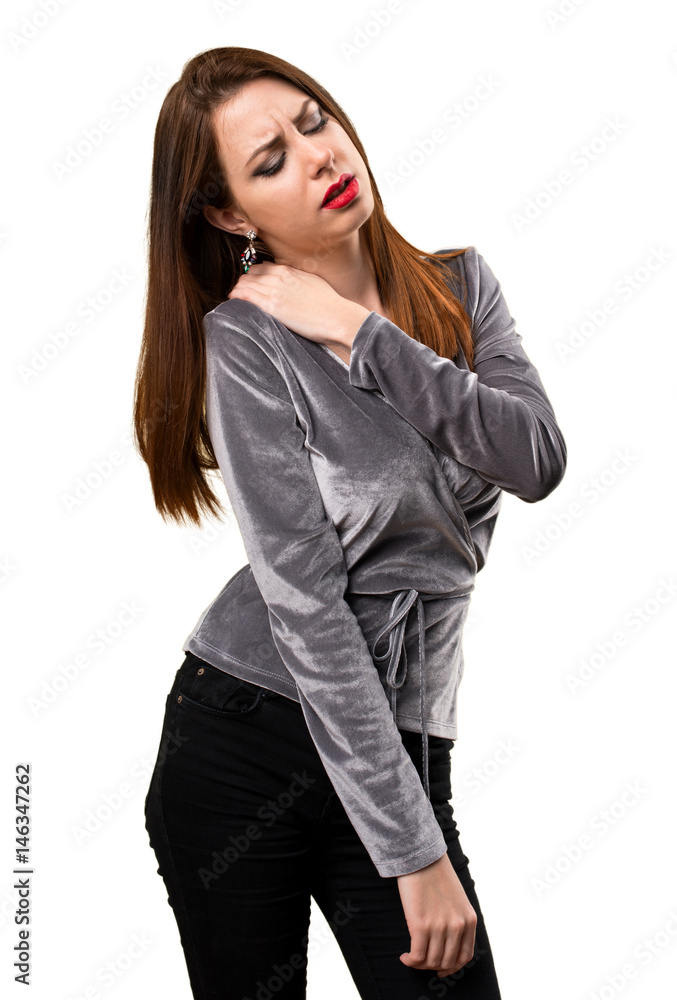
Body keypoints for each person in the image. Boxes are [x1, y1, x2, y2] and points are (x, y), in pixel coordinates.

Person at [135, 46, 567, 1000]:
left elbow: (534, 457)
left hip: (402, 738)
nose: (318, 156)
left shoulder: (460, 286)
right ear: (230, 215)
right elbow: (305, 605)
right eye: (270, 161)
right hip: (246, 739)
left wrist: (356, 330)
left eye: (313, 121)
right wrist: (416, 856)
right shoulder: (245, 340)